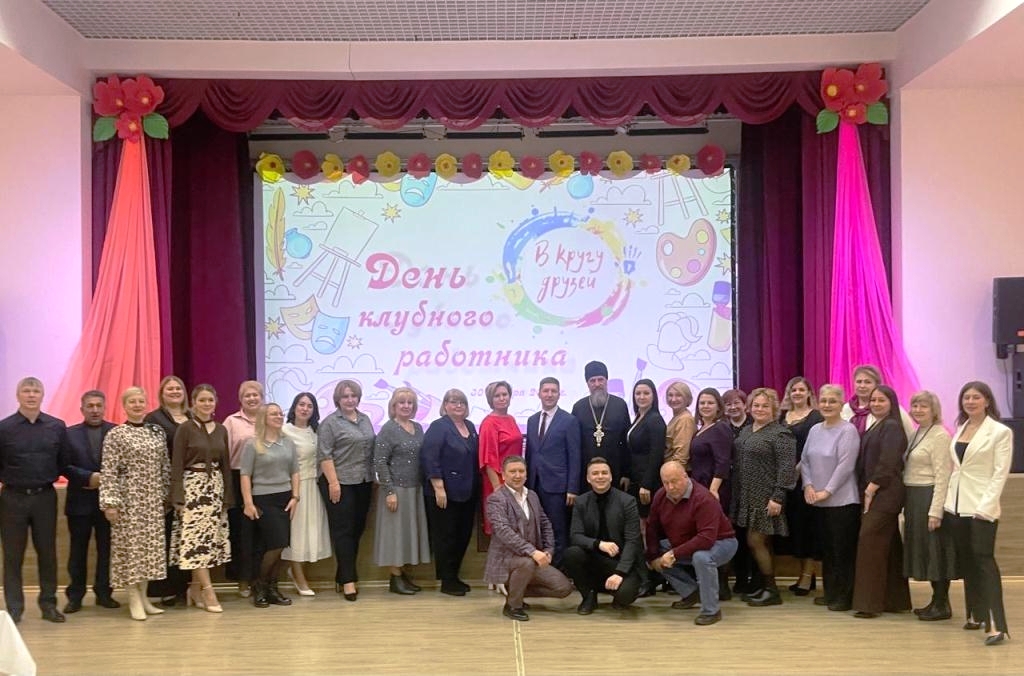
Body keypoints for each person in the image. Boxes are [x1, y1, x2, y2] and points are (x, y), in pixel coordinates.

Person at [945, 381, 1012, 645]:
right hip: (956, 505)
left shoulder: (1000, 432)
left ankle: (997, 625)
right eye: (966, 398)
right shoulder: (961, 428)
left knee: (984, 561)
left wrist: (986, 506)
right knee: (967, 561)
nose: (970, 402)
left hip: (982, 507)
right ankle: (976, 613)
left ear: (987, 401)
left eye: (976, 397)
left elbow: (999, 473)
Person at [0, 377, 69, 624]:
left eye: (36, 391)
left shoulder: (56, 426)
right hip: (12, 498)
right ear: (18, 395)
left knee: (47, 553)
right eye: (26, 391)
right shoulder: (4, 428)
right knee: (12, 555)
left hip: (44, 497)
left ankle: (48, 605)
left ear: (42, 395)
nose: (31, 395)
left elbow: (63, 462)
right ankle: (14, 609)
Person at [99, 387, 171, 621]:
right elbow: (109, 470)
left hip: (152, 500)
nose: (138, 405)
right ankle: (133, 597)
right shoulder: (116, 434)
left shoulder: (156, 432)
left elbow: (165, 466)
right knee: (131, 549)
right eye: (132, 401)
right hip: (128, 500)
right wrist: (110, 502)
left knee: (150, 550)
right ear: (125, 405)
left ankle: (145, 596)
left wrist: (166, 496)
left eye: (141, 401)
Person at [646, 461, 738, 626]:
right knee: (655, 551)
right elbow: (652, 526)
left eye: (674, 481)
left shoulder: (703, 498)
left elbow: (706, 538)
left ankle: (711, 611)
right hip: (686, 542)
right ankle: (691, 592)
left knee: (701, 557)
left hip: (721, 542)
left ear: (685, 477)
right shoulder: (661, 496)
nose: (670, 487)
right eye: (666, 483)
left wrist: (674, 553)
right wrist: (653, 557)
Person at [169, 384, 233, 613]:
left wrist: (227, 496)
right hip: (192, 488)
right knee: (195, 542)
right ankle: (208, 590)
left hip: (214, 487)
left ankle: (195, 589)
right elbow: (176, 463)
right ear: (193, 403)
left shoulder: (221, 430)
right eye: (202, 400)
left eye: (210, 400)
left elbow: (225, 465)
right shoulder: (185, 428)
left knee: (208, 542)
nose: (207, 404)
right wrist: (177, 497)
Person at [483, 455, 572, 621]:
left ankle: (515, 591)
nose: (517, 475)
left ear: (526, 474)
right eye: (512, 472)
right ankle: (513, 606)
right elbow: (503, 531)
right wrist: (532, 552)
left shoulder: (532, 495)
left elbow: (545, 524)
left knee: (563, 588)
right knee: (526, 563)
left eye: (521, 471)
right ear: (503, 475)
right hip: (506, 559)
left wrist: (548, 550)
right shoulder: (496, 499)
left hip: (532, 558)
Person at [732, 388, 796, 607]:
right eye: (756, 405)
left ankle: (772, 590)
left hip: (766, 495)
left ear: (774, 409)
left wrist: (778, 496)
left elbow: (786, 468)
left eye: (765, 406)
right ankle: (762, 586)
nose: (759, 409)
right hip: (746, 495)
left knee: (756, 540)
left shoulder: (781, 434)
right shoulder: (746, 430)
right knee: (763, 542)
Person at [851, 385, 911, 618]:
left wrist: (871, 489)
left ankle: (868, 604)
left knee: (870, 543)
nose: (876, 404)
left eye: (881, 400)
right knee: (890, 545)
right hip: (876, 492)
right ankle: (895, 600)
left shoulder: (892, 426)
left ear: (891, 403)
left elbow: (888, 462)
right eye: (873, 400)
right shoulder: (877, 425)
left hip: (884, 493)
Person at [801, 384, 861, 612]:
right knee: (827, 551)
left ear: (841, 404)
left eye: (832, 401)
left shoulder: (848, 431)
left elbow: (846, 466)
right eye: (824, 401)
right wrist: (808, 485)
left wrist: (827, 491)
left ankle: (844, 597)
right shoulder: (815, 429)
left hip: (842, 502)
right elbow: (805, 460)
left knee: (841, 551)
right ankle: (830, 593)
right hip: (817, 501)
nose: (827, 405)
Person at [317, 379, 375, 601]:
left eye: (353, 396)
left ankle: (342, 575)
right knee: (344, 531)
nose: (350, 400)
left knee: (357, 530)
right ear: (337, 400)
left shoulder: (365, 419)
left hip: (364, 481)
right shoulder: (330, 423)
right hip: (339, 483)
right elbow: (324, 455)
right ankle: (349, 581)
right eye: (345, 396)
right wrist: (333, 483)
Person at [62, 390, 119, 614]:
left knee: (107, 550)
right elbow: (63, 465)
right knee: (78, 551)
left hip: (109, 504)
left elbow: (124, 465)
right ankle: (75, 596)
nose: (94, 410)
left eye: (98, 406)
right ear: (82, 409)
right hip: (79, 502)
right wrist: (89, 477)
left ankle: (104, 593)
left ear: (104, 408)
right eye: (90, 406)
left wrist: (106, 479)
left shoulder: (116, 432)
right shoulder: (69, 434)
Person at [564, 457, 644, 614]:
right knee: (572, 554)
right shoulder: (581, 502)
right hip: (594, 559)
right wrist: (599, 544)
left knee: (625, 596)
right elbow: (575, 536)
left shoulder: (627, 501)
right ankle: (588, 596)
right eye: (595, 473)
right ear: (588, 478)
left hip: (620, 562)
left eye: (604, 473)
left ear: (611, 476)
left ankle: (614, 589)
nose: (600, 477)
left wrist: (620, 573)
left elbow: (632, 541)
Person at [903, 390, 957, 621]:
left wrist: (936, 511)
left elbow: (943, 476)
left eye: (923, 406)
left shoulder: (940, 435)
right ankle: (935, 601)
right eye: (915, 406)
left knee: (936, 551)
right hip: (914, 497)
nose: (918, 410)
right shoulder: (918, 432)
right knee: (925, 550)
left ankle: (942, 603)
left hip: (929, 496)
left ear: (934, 410)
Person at [240, 403, 300, 608]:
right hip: (263, 499)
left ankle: (272, 588)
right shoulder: (252, 444)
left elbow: (295, 471)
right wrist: (248, 502)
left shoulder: (288, 443)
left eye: (281, 414)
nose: (279, 417)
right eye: (274, 414)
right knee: (275, 544)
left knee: (279, 545)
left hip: (285, 498)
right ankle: (259, 585)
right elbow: (245, 475)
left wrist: (295, 497)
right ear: (264, 418)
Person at [421, 388, 480, 596]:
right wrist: (439, 488)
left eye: (462, 402)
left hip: (468, 492)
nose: (458, 406)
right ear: (445, 405)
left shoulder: (470, 426)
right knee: (445, 537)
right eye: (453, 402)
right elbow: (430, 458)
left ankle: (454, 576)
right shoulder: (438, 427)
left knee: (462, 536)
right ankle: (447, 581)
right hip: (444, 494)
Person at [373, 387, 430, 595]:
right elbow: (380, 462)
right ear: (394, 406)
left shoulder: (418, 428)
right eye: (402, 402)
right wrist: (389, 491)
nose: (406, 406)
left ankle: (403, 575)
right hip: (396, 490)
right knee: (394, 535)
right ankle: (395, 578)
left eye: (410, 403)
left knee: (407, 534)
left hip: (415, 490)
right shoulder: (388, 429)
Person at [143, 376, 191, 605]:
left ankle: (185, 587)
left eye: (178, 388)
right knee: (167, 537)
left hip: (193, 484)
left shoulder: (193, 416)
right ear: (162, 394)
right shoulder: (153, 419)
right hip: (165, 485)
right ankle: (165, 589)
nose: (174, 391)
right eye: (169, 389)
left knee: (187, 537)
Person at [525, 376, 581, 568]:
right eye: (546, 391)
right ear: (539, 393)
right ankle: (542, 570)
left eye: (553, 391)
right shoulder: (532, 420)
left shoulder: (569, 420)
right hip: (534, 485)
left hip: (558, 486)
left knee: (557, 529)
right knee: (537, 529)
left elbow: (575, 456)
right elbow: (530, 454)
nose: (549, 394)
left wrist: (572, 488)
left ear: (559, 394)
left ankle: (559, 570)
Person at [281, 392, 331, 596]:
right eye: (301, 404)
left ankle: (297, 571)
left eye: (309, 406)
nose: (305, 409)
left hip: (313, 485)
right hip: (295, 487)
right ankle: (298, 575)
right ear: (294, 407)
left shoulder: (315, 431)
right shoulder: (285, 431)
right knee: (297, 532)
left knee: (309, 533)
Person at [778, 377, 824, 595]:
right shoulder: (781, 416)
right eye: (792, 389)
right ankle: (804, 574)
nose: (796, 393)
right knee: (794, 529)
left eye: (801, 389)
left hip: (805, 480)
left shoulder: (815, 417)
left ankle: (806, 577)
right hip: (784, 481)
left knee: (807, 528)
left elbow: (813, 449)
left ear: (808, 393)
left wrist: (797, 471)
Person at [688, 387, 735, 597]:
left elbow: (723, 461)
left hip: (714, 490)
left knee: (717, 536)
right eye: (702, 403)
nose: (705, 406)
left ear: (718, 407)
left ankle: (721, 587)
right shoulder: (701, 429)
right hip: (700, 489)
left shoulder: (720, 428)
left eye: (710, 403)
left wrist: (713, 490)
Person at [223, 380, 264, 597]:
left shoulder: (269, 420)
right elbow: (224, 455)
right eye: (247, 395)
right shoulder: (231, 422)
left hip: (265, 479)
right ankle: (243, 579)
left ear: (262, 397)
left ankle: (260, 578)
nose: (252, 398)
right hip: (238, 478)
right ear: (240, 399)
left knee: (262, 533)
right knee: (242, 533)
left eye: (255, 394)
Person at [571, 361, 630, 487]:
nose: (597, 384)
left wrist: (626, 473)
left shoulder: (620, 405)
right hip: (586, 471)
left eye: (600, 380)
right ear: (587, 383)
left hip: (615, 470)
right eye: (592, 381)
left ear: (606, 380)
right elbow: (574, 445)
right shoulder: (578, 407)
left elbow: (626, 442)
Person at [478, 381, 524, 536]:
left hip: (515, 479)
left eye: (505, 394)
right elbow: (488, 459)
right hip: (498, 482)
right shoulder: (489, 423)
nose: (502, 398)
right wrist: (498, 488)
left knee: (516, 528)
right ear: (490, 399)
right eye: (497, 396)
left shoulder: (511, 419)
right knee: (502, 527)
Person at [625, 379, 667, 520]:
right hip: (636, 478)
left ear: (653, 396)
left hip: (648, 481)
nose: (641, 397)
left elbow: (656, 454)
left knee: (647, 522)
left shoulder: (655, 420)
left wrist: (646, 484)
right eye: (638, 393)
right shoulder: (639, 417)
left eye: (646, 393)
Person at [841, 365, 914, 438]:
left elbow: (910, 434)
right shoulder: (846, 408)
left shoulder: (890, 407)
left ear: (877, 385)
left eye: (867, 382)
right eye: (859, 382)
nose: (862, 386)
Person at [664, 381, 695, 468]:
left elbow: (681, 456)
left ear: (687, 398)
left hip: (675, 471)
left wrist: (673, 473)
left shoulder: (685, 419)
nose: (673, 399)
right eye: (670, 395)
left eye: (678, 395)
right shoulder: (677, 417)